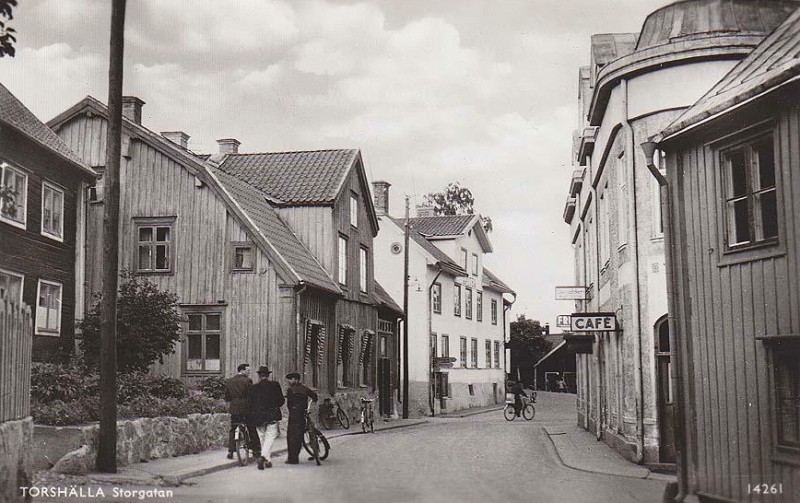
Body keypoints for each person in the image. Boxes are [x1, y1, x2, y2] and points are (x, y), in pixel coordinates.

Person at [248, 366, 285, 470]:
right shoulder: (275, 385)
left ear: (259, 376)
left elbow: (250, 404)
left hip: (258, 417)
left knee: (262, 438)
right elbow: (281, 400)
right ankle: (263, 456)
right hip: (272, 416)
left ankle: (267, 460)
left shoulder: (252, 388)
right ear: (268, 375)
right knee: (269, 437)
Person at [224, 363, 260, 460]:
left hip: (234, 409)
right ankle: (256, 451)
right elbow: (252, 396)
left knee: (233, 428)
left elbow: (227, 396)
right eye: (248, 371)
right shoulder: (248, 381)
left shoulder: (230, 381)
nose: (249, 372)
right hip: (246, 409)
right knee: (251, 428)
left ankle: (231, 452)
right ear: (243, 370)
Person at [284, 372, 318, 464]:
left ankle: (292, 458)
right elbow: (314, 396)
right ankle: (313, 449)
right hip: (303, 414)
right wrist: (313, 401)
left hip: (294, 415)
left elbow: (289, 404)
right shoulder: (305, 388)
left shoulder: (290, 389)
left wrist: (292, 411)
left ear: (295, 379)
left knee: (291, 436)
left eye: (290, 379)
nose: (289, 381)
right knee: (300, 434)